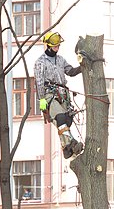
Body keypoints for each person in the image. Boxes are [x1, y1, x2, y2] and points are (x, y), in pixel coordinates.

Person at [34, 31, 83, 159]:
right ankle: (71, 143)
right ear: (49, 46)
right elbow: (39, 82)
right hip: (50, 95)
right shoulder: (40, 62)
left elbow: (70, 71)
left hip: (64, 95)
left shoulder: (60, 60)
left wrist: (82, 67)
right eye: (55, 46)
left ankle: (67, 149)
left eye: (58, 46)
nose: (57, 48)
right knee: (60, 118)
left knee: (67, 120)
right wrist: (42, 101)